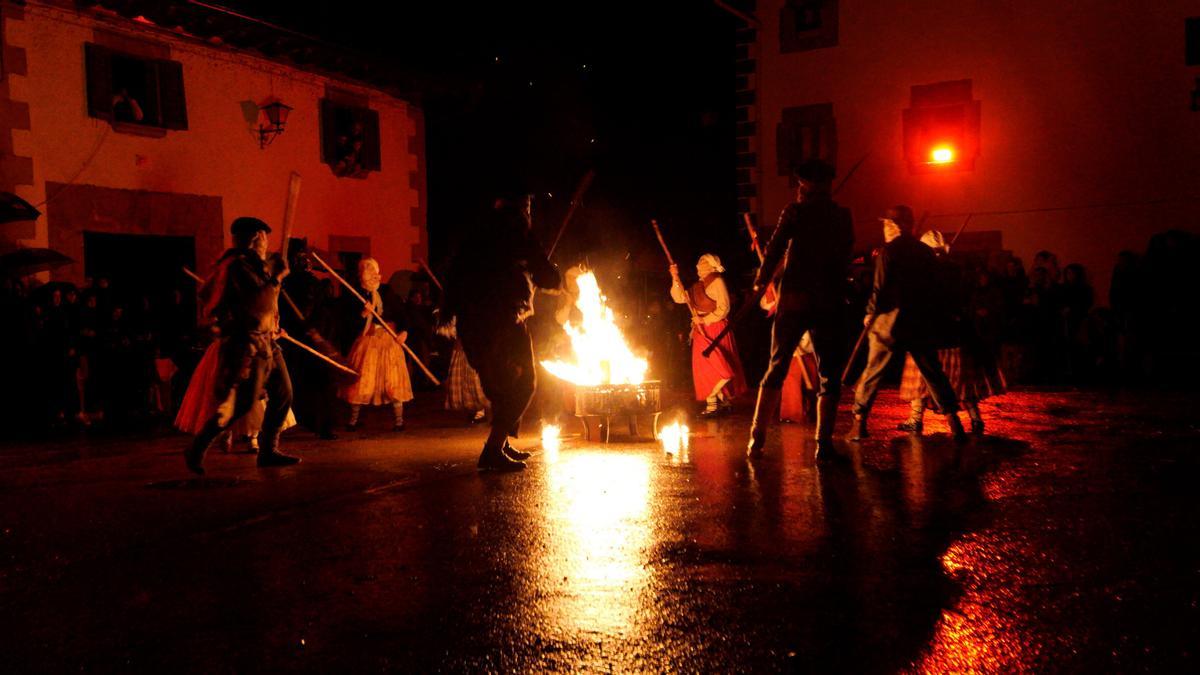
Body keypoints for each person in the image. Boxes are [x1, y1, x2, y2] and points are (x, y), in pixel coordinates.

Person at [444, 190, 561, 472]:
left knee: (500, 388)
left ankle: (502, 443)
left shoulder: (476, 236)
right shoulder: (518, 234)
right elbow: (548, 278)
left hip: (474, 325)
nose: (529, 212)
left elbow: (457, 278)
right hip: (504, 323)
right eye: (527, 206)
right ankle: (493, 450)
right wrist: (548, 271)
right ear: (520, 208)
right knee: (523, 384)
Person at [746, 159, 854, 460]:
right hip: (828, 301)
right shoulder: (841, 216)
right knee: (829, 373)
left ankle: (757, 439)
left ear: (805, 187)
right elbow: (846, 256)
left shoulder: (795, 212)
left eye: (800, 186)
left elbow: (775, 248)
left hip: (795, 298)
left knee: (777, 365)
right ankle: (823, 444)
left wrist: (761, 280)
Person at [182, 216, 300, 475]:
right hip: (247, 343)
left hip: (266, 340)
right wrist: (277, 278)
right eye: (264, 236)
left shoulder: (254, 264)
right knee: (243, 402)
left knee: (283, 392)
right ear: (256, 237)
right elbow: (258, 301)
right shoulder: (236, 266)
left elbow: (268, 305)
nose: (267, 242)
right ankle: (198, 446)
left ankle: (268, 450)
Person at [850, 206, 967, 442]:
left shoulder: (889, 252)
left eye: (887, 224)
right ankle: (954, 421)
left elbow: (880, 288)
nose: (884, 228)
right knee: (932, 372)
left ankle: (859, 423)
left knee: (873, 372)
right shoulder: (924, 252)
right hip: (919, 321)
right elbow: (935, 287)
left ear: (895, 226)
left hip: (891, 322)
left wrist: (870, 311)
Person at [896, 231, 1006, 435]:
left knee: (926, 376)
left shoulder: (930, 271)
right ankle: (975, 419)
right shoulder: (952, 269)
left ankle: (918, 419)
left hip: (933, 332)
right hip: (954, 332)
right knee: (957, 380)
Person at [338, 258, 413, 431]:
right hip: (367, 340)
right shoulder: (355, 294)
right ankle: (353, 420)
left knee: (393, 380)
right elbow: (347, 322)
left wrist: (404, 331)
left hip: (389, 340)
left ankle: (399, 421)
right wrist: (364, 314)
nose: (371, 273)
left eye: (374, 269)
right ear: (360, 274)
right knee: (362, 379)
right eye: (367, 269)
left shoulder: (387, 291)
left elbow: (402, 314)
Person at [669, 253, 747, 417]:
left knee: (719, 365)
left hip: (716, 328)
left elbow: (724, 308)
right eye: (699, 263)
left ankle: (717, 402)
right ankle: (716, 404)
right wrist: (675, 277)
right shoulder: (698, 285)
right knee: (705, 368)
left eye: (703, 263)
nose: (699, 266)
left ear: (712, 266)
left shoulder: (717, 281)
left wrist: (704, 320)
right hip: (700, 329)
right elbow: (680, 298)